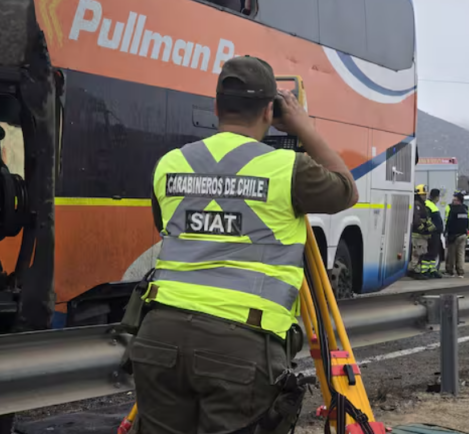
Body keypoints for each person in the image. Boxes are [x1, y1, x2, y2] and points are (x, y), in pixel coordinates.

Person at [131, 55, 358, 434]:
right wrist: (303, 126)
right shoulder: (288, 168)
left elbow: (169, 226)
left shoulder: (170, 163)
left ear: (217, 106)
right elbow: (346, 189)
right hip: (240, 344)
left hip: (159, 333)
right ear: (271, 110)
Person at [410, 185, 435, 279]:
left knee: (421, 253)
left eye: (425, 194)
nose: (425, 196)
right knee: (417, 253)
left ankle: (417, 271)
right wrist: (424, 229)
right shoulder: (417, 205)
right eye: (422, 194)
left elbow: (425, 218)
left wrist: (431, 227)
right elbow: (416, 221)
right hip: (418, 235)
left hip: (422, 236)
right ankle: (414, 271)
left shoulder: (422, 205)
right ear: (418, 195)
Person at [444, 192, 469, 277]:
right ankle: (461, 272)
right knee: (461, 254)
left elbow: (449, 222)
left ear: (458, 201)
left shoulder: (452, 209)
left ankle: (450, 271)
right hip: (463, 234)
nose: (453, 201)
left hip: (454, 235)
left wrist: (446, 231)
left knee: (451, 255)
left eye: (455, 200)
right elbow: (468, 220)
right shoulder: (465, 209)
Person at [421, 189, 444, 278]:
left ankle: (432, 270)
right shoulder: (428, 205)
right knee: (429, 253)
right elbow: (428, 219)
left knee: (434, 253)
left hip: (436, 233)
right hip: (432, 233)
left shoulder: (431, 205)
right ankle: (425, 271)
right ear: (436, 197)